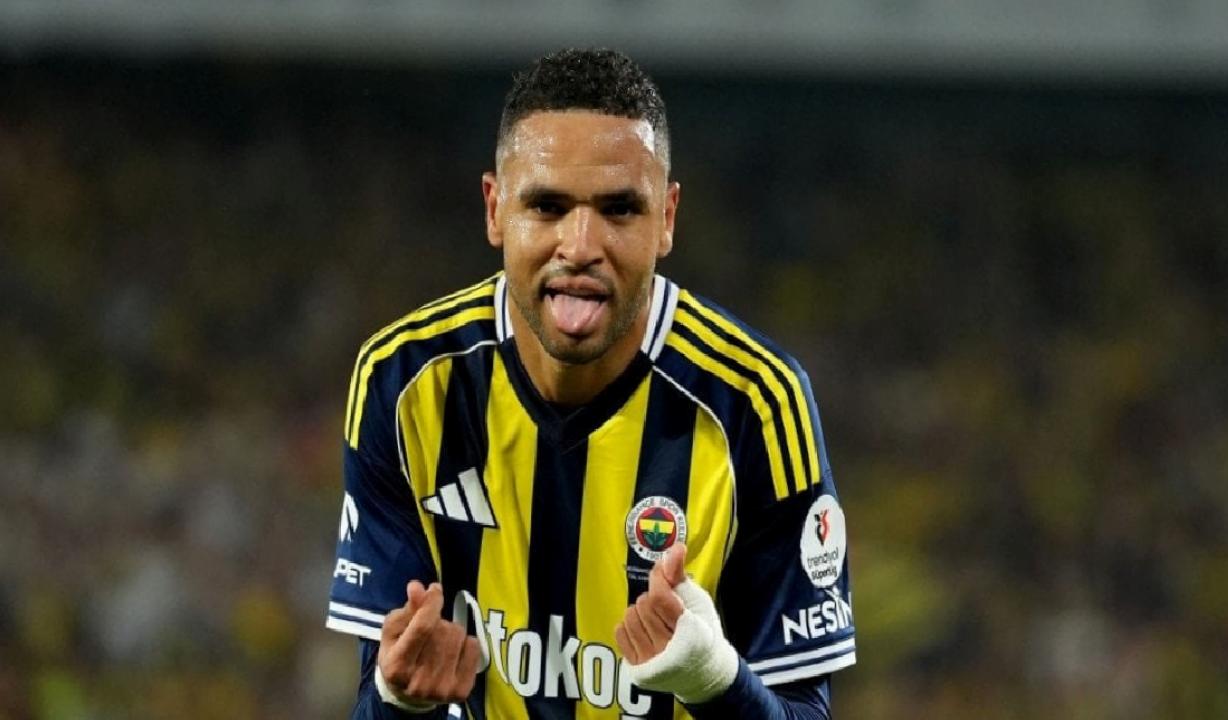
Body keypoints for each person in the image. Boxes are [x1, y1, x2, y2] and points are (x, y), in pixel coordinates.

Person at [326, 47, 856, 719]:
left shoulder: (756, 404)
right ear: (495, 209)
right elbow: (379, 694)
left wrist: (717, 681)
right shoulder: (404, 384)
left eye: (620, 209)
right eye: (547, 206)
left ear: (667, 219)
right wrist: (398, 701)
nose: (579, 247)